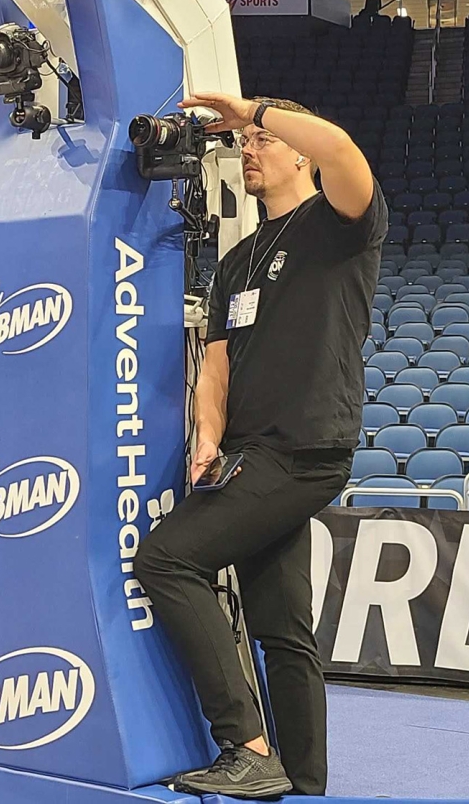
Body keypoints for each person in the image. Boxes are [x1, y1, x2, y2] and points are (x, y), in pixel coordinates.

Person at [135, 93, 385, 799]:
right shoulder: (238, 259)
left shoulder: (337, 225)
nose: (248, 152)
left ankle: (245, 744)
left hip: (302, 448)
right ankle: (305, 782)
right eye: (242, 145)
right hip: (247, 450)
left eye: (261, 144)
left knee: (166, 559)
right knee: (281, 627)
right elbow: (215, 362)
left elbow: (341, 149)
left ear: (297, 152)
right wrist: (206, 435)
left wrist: (253, 109)